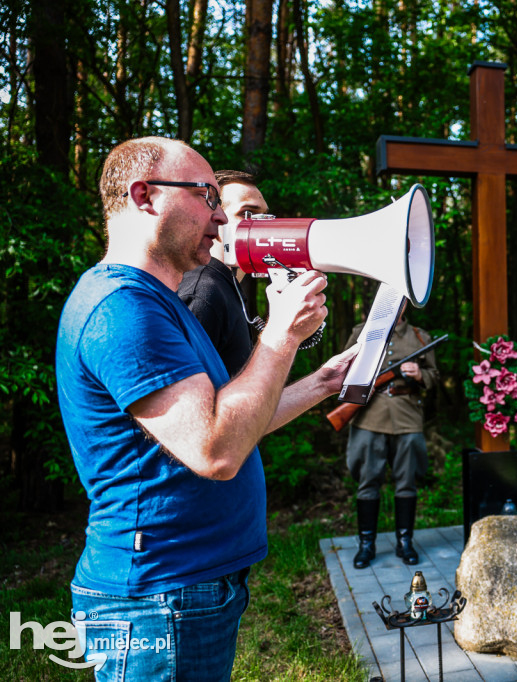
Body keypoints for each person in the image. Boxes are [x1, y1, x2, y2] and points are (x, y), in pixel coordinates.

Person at [55, 137, 359, 681]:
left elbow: (230, 419)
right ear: (143, 196)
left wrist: (321, 383)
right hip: (158, 595)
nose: (222, 219)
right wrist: (282, 335)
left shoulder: (159, 301)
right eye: (206, 196)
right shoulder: (122, 309)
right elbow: (216, 451)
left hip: (186, 587)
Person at [345, 310, 439, 569]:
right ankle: (366, 545)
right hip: (368, 417)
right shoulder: (362, 331)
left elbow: (434, 377)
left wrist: (420, 375)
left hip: (407, 416)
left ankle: (405, 542)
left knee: (407, 483)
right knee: (367, 482)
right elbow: (344, 370)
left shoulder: (421, 337)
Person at [176, 170, 268, 375]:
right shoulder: (203, 292)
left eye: (266, 215)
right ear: (215, 220)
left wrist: (325, 381)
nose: (264, 224)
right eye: (247, 214)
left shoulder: (225, 286)